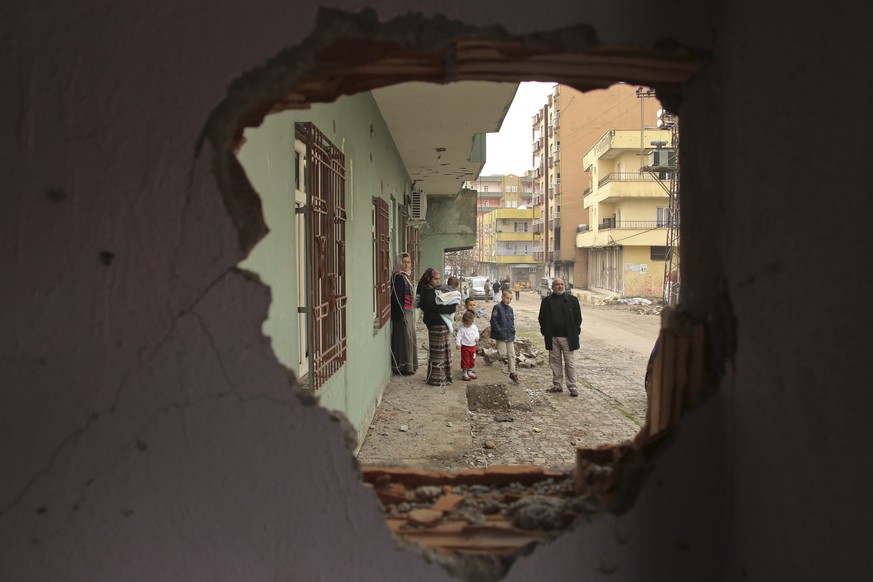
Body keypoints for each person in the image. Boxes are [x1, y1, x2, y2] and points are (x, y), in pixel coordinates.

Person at [537, 277, 583, 396]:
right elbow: (541, 318)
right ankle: (557, 385)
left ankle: (572, 387)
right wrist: (545, 332)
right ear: (553, 287)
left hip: (568, 338)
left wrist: (575, 331)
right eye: (557, 284)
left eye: (562, 284)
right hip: (553, 338)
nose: (560, 286)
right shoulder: (547, 301)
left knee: (569, 363)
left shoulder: (572, 300)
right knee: (555, 362)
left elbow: (578, 317)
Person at [417, 268, 457, 385]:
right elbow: (440, 308)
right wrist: (453, 307)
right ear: (429, 279)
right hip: (436, 324)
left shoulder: (431, 290)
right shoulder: (428, 292)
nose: (438, 281)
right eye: (435, 279)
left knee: (441, 351)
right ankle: (437, 379)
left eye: (439, 279)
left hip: (438, 323)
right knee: (439, 352)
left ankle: (441, 378)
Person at [389, 253, 417, 375]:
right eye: (404, 262)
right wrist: (401, 315)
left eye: (408, 262)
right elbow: (397, 299)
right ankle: (403, 367)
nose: (406, 264)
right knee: (404, 340)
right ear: (399, 263)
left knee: (410, 339)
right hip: (402, 314)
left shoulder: (405, 277)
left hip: (408, 312)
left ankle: (410, 366)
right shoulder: (399, 278)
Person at [490, 289, 519, 384]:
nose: (508, 300)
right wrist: (499, 330)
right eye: (507, 298)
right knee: (502, 353)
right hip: (500, 335)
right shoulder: (497, 307)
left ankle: (513, 373)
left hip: (510, 334)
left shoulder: (510, 309)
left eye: (510, 299)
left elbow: (512, 321)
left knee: (511, 354)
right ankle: (489, 358)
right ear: (502, 297)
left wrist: (513, 330)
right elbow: (493, 321)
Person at [455, 310, 480, 381]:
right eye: (467, 324)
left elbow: (477, 333)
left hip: (473, 346)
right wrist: (458, 344)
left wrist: (477, 338)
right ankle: (464, 373)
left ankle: (470, 371)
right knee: (465, 360)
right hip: (465, 347)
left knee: (472, 359)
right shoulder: (462, 329)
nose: (468, 325)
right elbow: (458, 337)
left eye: (470, 324)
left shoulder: (474, 327)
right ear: (464, 322)